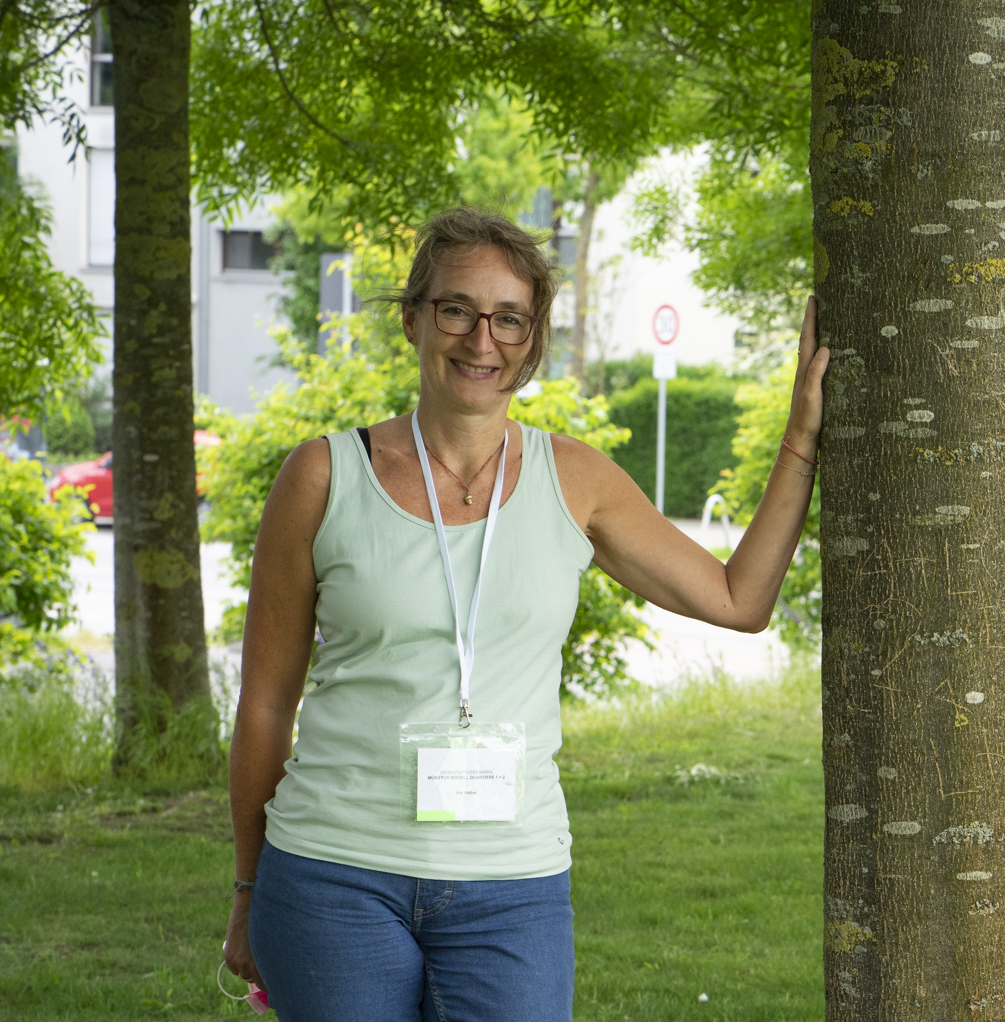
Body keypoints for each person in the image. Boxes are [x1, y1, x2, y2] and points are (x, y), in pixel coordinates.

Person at [220, 207, 829, 1021]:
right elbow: (264, 704)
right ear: (413, 319)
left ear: (533, 337)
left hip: (512, 885)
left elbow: (738, 600)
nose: (482, 340)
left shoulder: (576, 481)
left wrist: (799, 438)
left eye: (509, 318)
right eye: (457, 310)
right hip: (332, 871)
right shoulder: (323, 476)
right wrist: (249, 884)